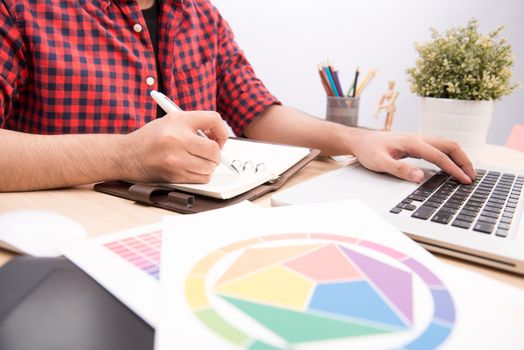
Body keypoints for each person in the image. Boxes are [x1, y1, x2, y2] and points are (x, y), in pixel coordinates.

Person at [0, 0, 475, 192]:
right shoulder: (21, 9)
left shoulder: (201, 15)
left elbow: (257, 111)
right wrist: (126, 154)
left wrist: (356, 139)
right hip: (74, 246)